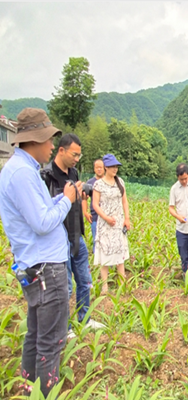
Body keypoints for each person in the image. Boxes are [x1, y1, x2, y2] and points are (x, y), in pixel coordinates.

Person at [0, 108, 76, 396]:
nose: (51, 146)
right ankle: (46, 393)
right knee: (51, 341)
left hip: (35, 267)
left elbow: (37, 214)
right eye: (49, 140)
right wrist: (67, 200)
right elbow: (43, 223)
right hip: (47, 269)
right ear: (35, 140)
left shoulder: (20, 170)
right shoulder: (22, 173)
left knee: (35, 335)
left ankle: (28, 387)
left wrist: (57, 200)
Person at [40, 133, 105, 335]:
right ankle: (65, 328)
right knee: (65, 287)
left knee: (85, 281)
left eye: (79, 155)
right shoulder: (47, 176)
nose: (77, 159)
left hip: (77, 235)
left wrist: (80, 195)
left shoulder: (74, 173)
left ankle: (84, 318)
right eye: (74, 154)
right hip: (58, 240)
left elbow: (76, 199)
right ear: (61, 150)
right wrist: (66, 196)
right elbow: (45, 208)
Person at [92, 154, 131, 294]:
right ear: (106, 168)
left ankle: (122, 284)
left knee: (120, 252)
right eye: (112, 167)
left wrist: (127, 218)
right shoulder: (99, 184)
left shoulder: (120, 182)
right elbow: (95, 205)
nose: (115, 169)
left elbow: (124, 201)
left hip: (118, 222)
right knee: (105, 255)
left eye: (116, 167)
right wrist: (106, 217)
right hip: (105, 224)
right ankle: (104, 287)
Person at [84, 159, 105, 251]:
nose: (99, 169)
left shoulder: (108, 181)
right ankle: (97, 262)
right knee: (96, 241)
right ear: (94, 169)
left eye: (101, 167)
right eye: (97, 167)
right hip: (95, 217)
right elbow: (84, 198)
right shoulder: (90, 183)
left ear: (105, 168)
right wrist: (85, 212)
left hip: (108, 216)